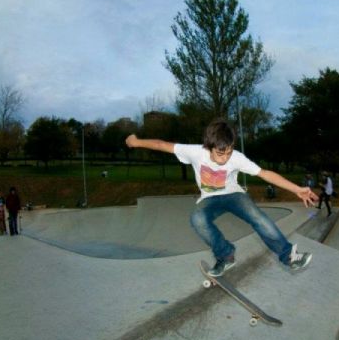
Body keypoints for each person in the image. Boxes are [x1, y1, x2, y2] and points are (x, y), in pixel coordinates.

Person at [125, 118, 318, 277]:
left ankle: (288, 256)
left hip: (234, 195)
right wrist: (136, 142)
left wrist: (296, 189)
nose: (225, 158)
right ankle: (225, 256)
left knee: (257, 217)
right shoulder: (194, 152)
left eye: (229, 152)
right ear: (208, 147)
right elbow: (161, 145)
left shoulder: (237, 157)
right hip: (209, 199)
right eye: (220, 153)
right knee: (197, 219)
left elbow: (265, 173)